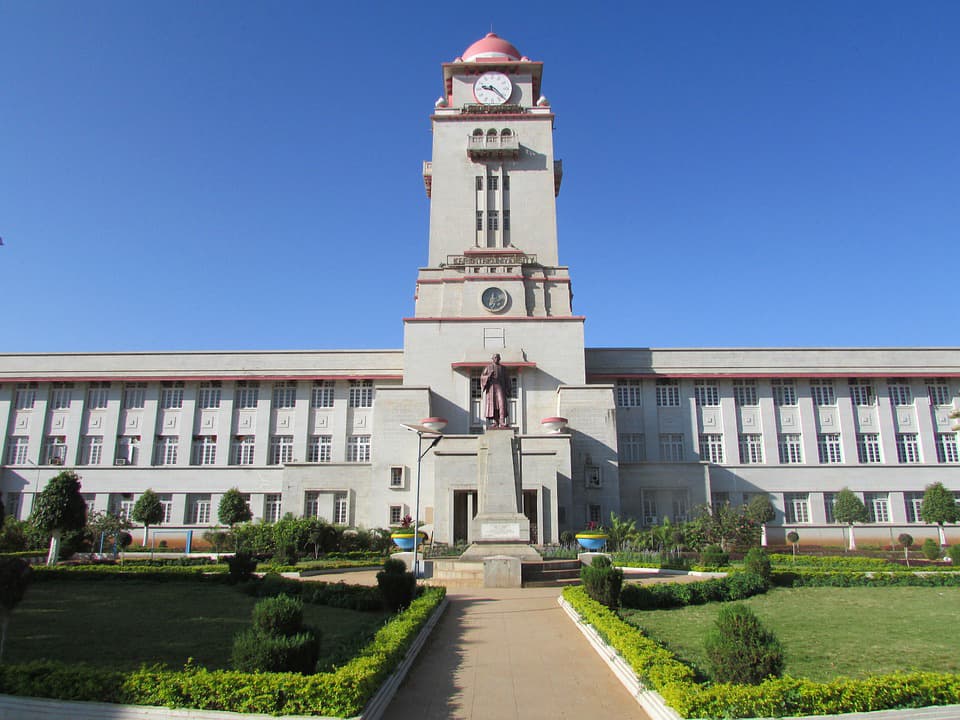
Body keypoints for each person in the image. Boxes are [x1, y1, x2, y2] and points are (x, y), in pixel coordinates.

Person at [480, 353, 511, 428]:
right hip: (491, 388)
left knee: (501, 404)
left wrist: (508, 389)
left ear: (500, 358)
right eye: (495, 357)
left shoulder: (503, 368)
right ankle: (496, 422)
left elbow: (507, 379)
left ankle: (502, 421)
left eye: (497, 357)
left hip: (500, 387)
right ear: (492, 359)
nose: (496, 358)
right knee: (493, 405)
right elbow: (482, 377)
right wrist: (488, 376)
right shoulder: (488, 367)